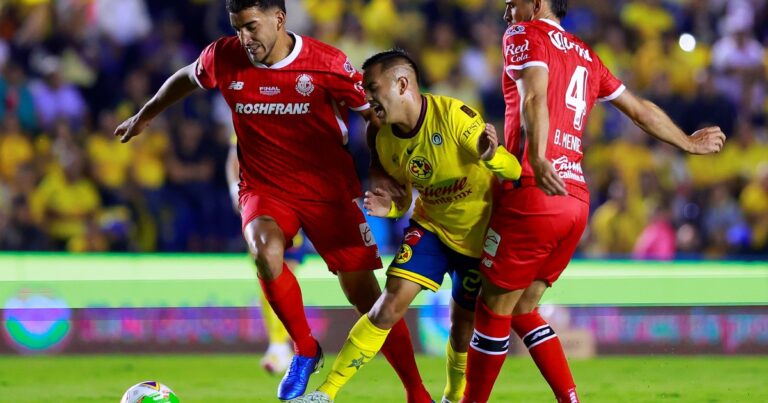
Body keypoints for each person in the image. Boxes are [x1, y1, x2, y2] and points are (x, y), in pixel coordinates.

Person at [113, 1, 431, 401]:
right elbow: (186, 77)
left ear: (279, 20)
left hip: (328, 191)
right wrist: (146, 115)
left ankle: (416, 391)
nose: (244, 38)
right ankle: (304, 348)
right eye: (237, 28)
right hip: (264, 187)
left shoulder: (326, 63)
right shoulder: (223, 56)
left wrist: (385, 173)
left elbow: (377, 116)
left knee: (368, 297)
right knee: (264, 250)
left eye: (250, 26)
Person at [461, 1, 726, 402]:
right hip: (575, 201)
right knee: (522, 308)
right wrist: (686, 142)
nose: (506, 14)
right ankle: (571, 399)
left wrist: (536, 156)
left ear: (536, 4)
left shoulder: (522, 34)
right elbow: (638, 110)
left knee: (491, 307)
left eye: (512, 4)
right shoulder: (586, 55)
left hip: (535, 191)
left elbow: (534, 95)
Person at [294, 49, 522, 403]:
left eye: (372, 88)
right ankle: (325, 394)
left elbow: (514, 170)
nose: (367, 98)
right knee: (388, 304)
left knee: (462, 328)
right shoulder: (386, 141)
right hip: (431, 228)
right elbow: (405, 197)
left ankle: (452, 397)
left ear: (402, 84)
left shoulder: (455, 117)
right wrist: (390, 208)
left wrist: (493, 156)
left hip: (478, 236)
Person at [226, 136, 297, 374]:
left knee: (284, 273)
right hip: (258, 204)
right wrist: (234, 189)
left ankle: (283, 345)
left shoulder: (296, 114)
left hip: (290, 202)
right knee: (269, 274)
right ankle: (280, 345)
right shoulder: (252, 111)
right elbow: (234, 158)